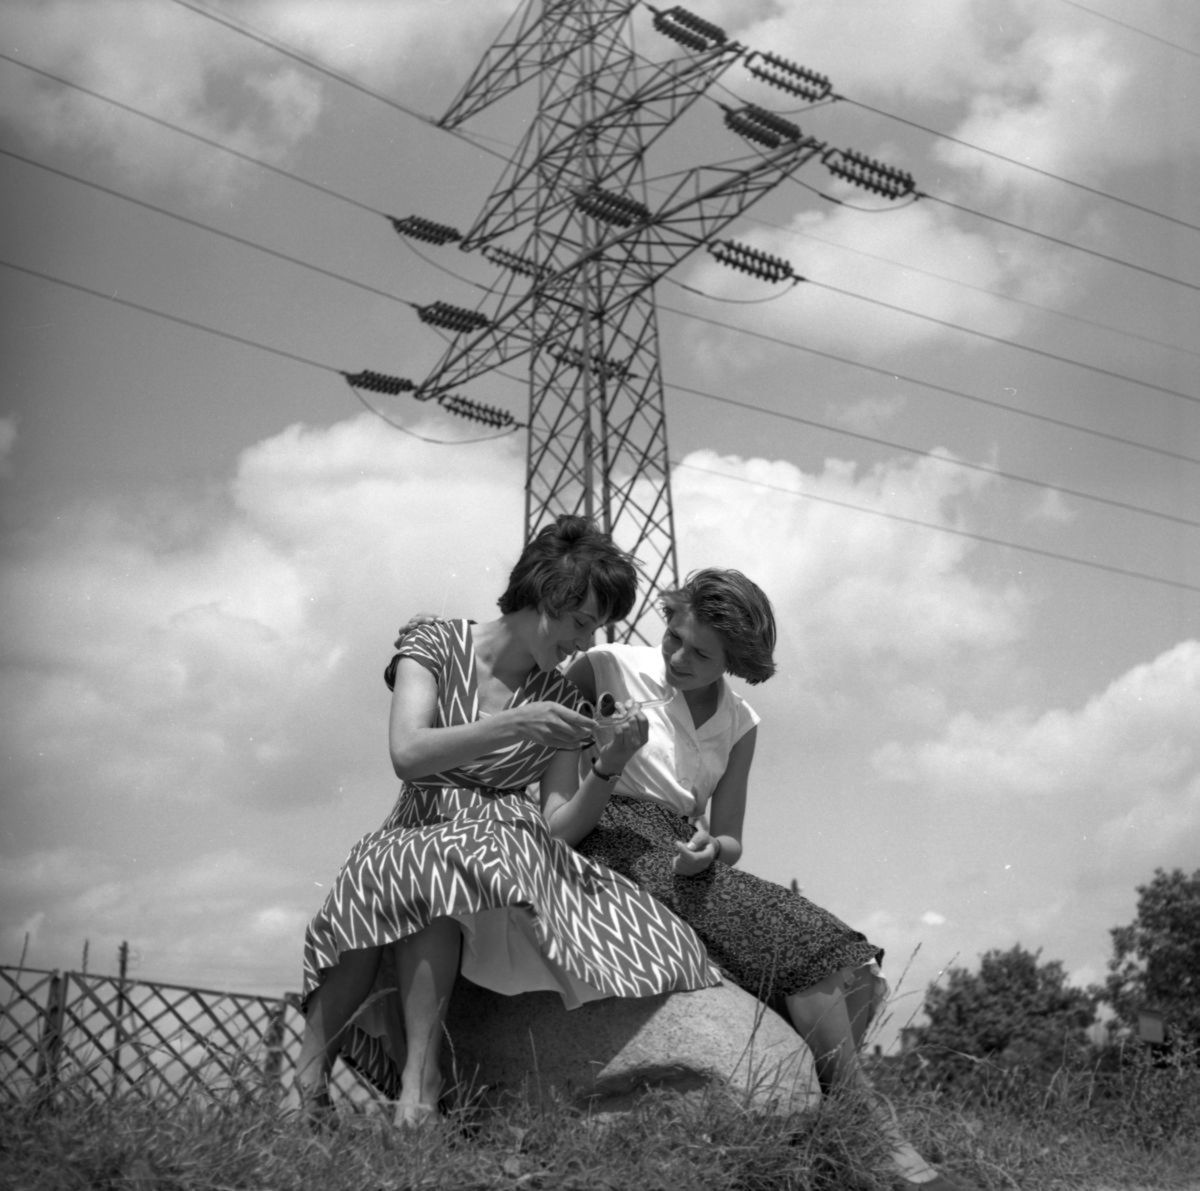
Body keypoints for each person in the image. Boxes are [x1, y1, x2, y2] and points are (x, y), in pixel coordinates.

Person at [537, 568, 971, 1190]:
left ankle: (845, 1118)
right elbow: (555, 792)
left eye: (701, 653)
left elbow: (731, 836)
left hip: (683, 852)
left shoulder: (741, 722)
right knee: (797, 946)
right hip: (610, 837)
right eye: (675, 637)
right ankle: (872, 1124)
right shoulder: (604, 666)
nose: (679, 656)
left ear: (734, 661)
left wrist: (710, 848)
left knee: (830, 942)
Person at [295, 516, 719, 1126]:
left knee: (421, 865)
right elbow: (408, 756)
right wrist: (516, 724)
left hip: (507, 851)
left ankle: (410, 1083)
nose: (584, 641)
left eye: (594, 628)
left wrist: (608, 767)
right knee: (390, 871)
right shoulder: (434, 645)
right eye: (580, 622)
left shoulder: (566, 698)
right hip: (418, 829)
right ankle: (330, 1083)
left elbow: (557, 828)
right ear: (546, 596)